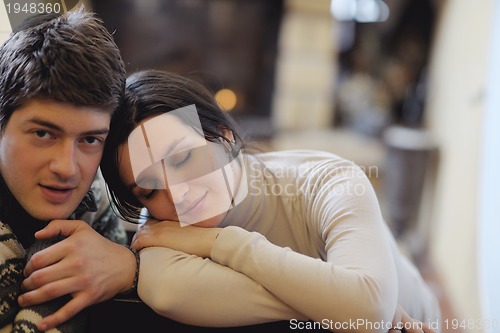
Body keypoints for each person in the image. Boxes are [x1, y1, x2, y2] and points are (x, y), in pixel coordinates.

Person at [100, 69, 442, 333]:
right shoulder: (160, 227)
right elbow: (166, 289)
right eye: (149, 190)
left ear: (224, 135)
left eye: (182, 159)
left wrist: (217, 242)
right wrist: (343, 305)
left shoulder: (327, 179)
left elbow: (367, 312)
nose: (177, 194)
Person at [0, 7, 140, 332]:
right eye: (43, 133)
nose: (67, 168)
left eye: (90, 139)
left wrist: (130, 266)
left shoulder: (96, 197)